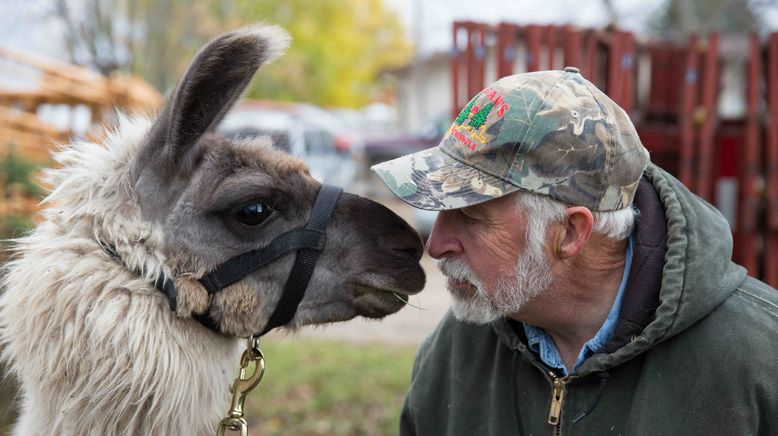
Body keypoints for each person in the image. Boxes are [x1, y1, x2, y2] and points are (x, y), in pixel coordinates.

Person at [372, 67, 778, 435]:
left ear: (570, 232)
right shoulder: (458, 350)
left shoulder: (759, 361)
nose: (436, 245)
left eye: (471, 218)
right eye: (442, 213)